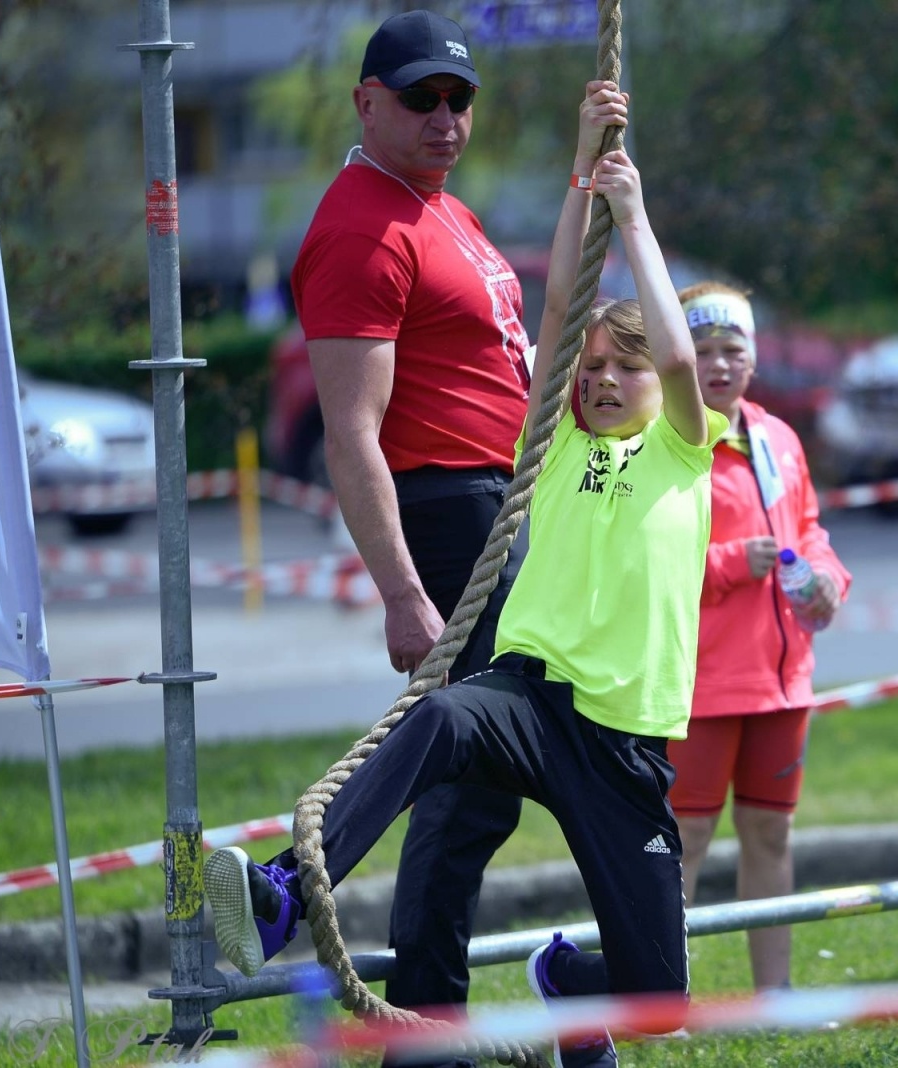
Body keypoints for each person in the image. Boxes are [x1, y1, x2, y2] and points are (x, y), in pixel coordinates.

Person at [205, 82, 714, 1068]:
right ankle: (285, 894)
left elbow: (684, 363)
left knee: (661, 1003)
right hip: (530, 702)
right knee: (440, 716)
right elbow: (556, 304)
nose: (604, 380)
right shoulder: (552, 447)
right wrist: (581, 168)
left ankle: (566, 988)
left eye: (626, 368)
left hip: (621, 742)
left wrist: (635, 217)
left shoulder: (682, 452)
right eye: (592, 369)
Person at [285, 12, 530, 1058]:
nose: (445, 118)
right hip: (447, 511)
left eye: (459, 99)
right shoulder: (361, 229)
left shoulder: (439, 207)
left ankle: (427, 1017)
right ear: (367, 102)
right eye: (421, 98)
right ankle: (410, 1009)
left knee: (486, 775)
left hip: (500, 502)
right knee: (477, 773)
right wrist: (400, 591)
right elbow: (350, 434)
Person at [666, 281, 851, 992]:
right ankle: (659, 1002)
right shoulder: (666, 441)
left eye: (732, 348)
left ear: (753, 355)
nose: (719, 364)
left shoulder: (780, 437)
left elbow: (809, 531)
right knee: (683, 841)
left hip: (784, 681)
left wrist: (828, 577)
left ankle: (775, 996)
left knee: (771, 834)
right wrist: (727, 564)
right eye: (702, 349)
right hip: (702, 684)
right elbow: (644, 561)